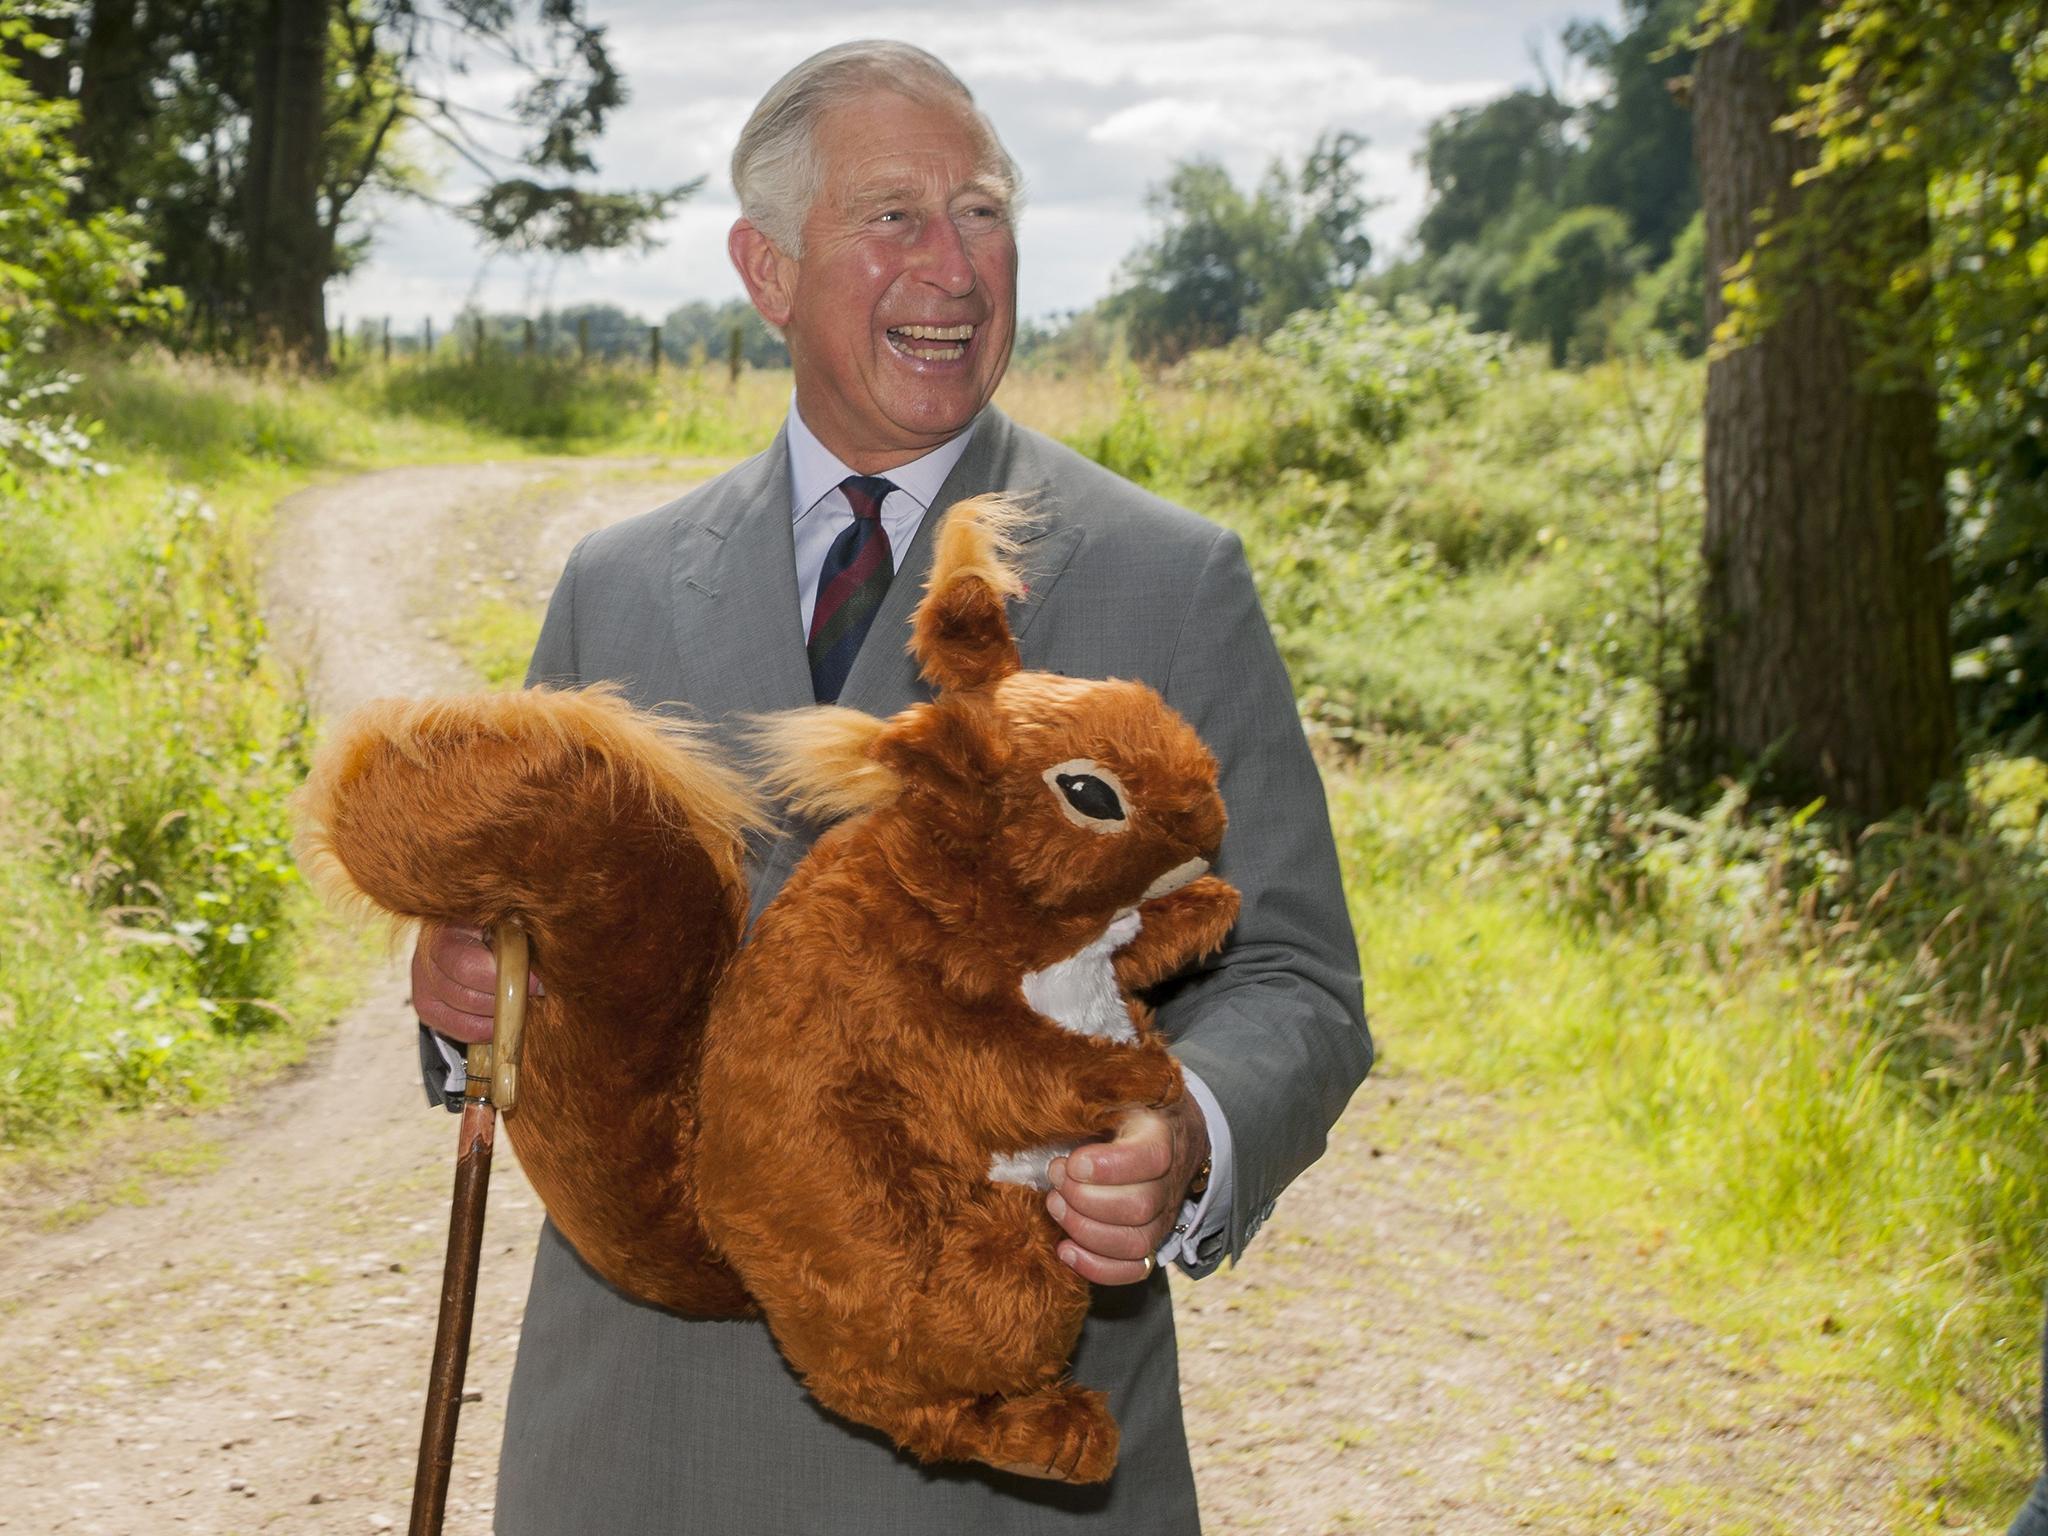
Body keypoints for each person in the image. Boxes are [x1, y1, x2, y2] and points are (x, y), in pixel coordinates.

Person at [407, 39, 1370, 1534]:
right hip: (645, 1438)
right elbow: (525, 954)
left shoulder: (1167, 579)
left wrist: (1187, 1134)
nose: (957, 268)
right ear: (768, 268)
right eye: (895, 218)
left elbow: (1296, 972)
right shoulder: (616, 590)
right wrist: (472, 987)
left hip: (1000, 1456)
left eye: (982, 213)